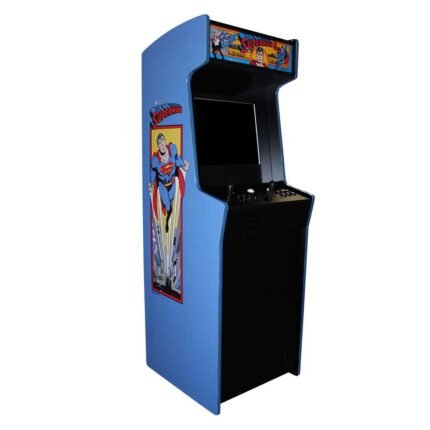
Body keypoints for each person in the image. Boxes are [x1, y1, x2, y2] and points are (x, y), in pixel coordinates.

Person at [148, 133, 189, 232]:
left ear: (165, 141)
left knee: (171, 201)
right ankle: (167, 220)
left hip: (172, 183)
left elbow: (178, 160)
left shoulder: (172, 151)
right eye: (159, 142)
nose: (161, 144)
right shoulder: (155, 161)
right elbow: (153, 172)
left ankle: (168, 217)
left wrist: (184, 166)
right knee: (167, 204)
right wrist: (151, 183)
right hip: (163, 185)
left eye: (162, 140)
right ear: (158, 145)